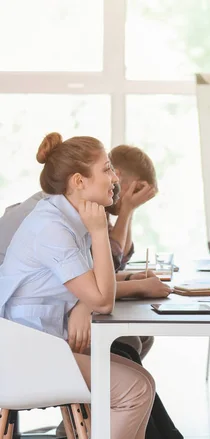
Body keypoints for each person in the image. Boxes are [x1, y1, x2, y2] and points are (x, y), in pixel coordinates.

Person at [0, 133, 154, 439]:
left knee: (141, 380)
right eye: (107, 169)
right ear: (78, 181)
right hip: (21, 355)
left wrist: (85, 302)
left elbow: (93, 290)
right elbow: (103, 301)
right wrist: (99, 232)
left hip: (42, 344)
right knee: (134, 389)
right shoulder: (52, 227)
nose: (115, 179)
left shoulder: (71, 218)